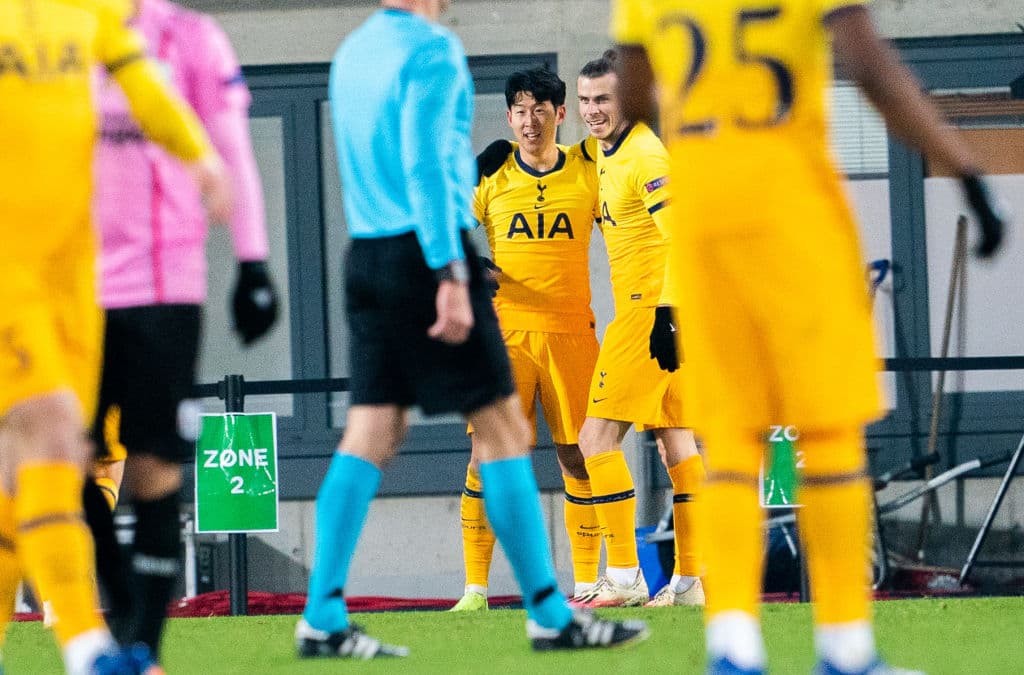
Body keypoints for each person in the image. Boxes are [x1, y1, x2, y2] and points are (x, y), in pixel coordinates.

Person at [610, 0, 1005, 673]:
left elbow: (635, 91)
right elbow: (870, 66)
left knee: (731, 442)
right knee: (826, 433)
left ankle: (733, 644)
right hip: (792, 214)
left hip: (706, 222)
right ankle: (845, 647)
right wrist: (964, 168)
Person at [294, 0, 648, 659]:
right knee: (503, 429)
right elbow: (429, 170)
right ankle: (548, 611)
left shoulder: (352, 54)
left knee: (373, 431)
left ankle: (320, 612)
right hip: (426, 257)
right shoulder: (432, 53)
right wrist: (452, 272)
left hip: (366, 253)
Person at [0, 1, 231, 673]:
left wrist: (200, 158)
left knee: (35, 460)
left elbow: (144, 88)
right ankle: (85, 645)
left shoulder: (90, 15)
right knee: (48, 427)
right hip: (8, 270)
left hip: (76, 276)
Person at [79, 0, 280, 663]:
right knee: (62, 464)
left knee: (156, 469)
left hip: (165, 285)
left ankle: (143, 648)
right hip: (71, 287)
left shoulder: (193, 39)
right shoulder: (56, 34)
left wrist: (252, 261)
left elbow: (231, 151)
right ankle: (122, 613)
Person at [450, 67, 604, 612]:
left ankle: (588, 583)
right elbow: (441, 225)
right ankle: (474, 589)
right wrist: (474, 264)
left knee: (580, 455)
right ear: (508, 116)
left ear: (561, 114)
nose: (530, 120)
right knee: (486, 456)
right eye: (519, 109)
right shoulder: (490, 174)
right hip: (505, 336)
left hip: (571, 334)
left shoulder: (589, 168)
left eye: (541, 109)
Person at [571, 51, 707, 608]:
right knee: (677, 443)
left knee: (593, 440)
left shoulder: (647, 157)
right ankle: (691, 583)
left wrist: (666, 313)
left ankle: (624, 578)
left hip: (650, 314)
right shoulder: (610, 151)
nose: (592, 111)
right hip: (664, 315)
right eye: (584, 100)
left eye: (603, 99)